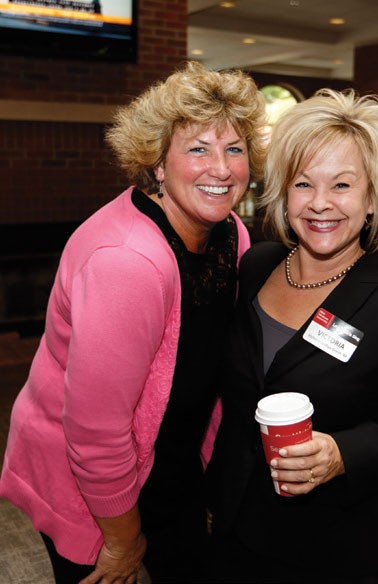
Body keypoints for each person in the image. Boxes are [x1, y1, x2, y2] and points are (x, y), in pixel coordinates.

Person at [0, 60, 266, 584]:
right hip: (90, 479)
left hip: (171, 458)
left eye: (234, 149)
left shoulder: (231, 232)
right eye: (198, 149)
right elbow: (95, 433)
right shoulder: (126, 262)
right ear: (157, 164)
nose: (221, 169)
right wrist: (123, 540)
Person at [206, 89, 378, 584]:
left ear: (372, 199)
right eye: (303, 184)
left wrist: (343, 453)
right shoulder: (256, 266)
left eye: (342, 185)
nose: (320, 204)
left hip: (329, 546)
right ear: (284, 193)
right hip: (233, 526)